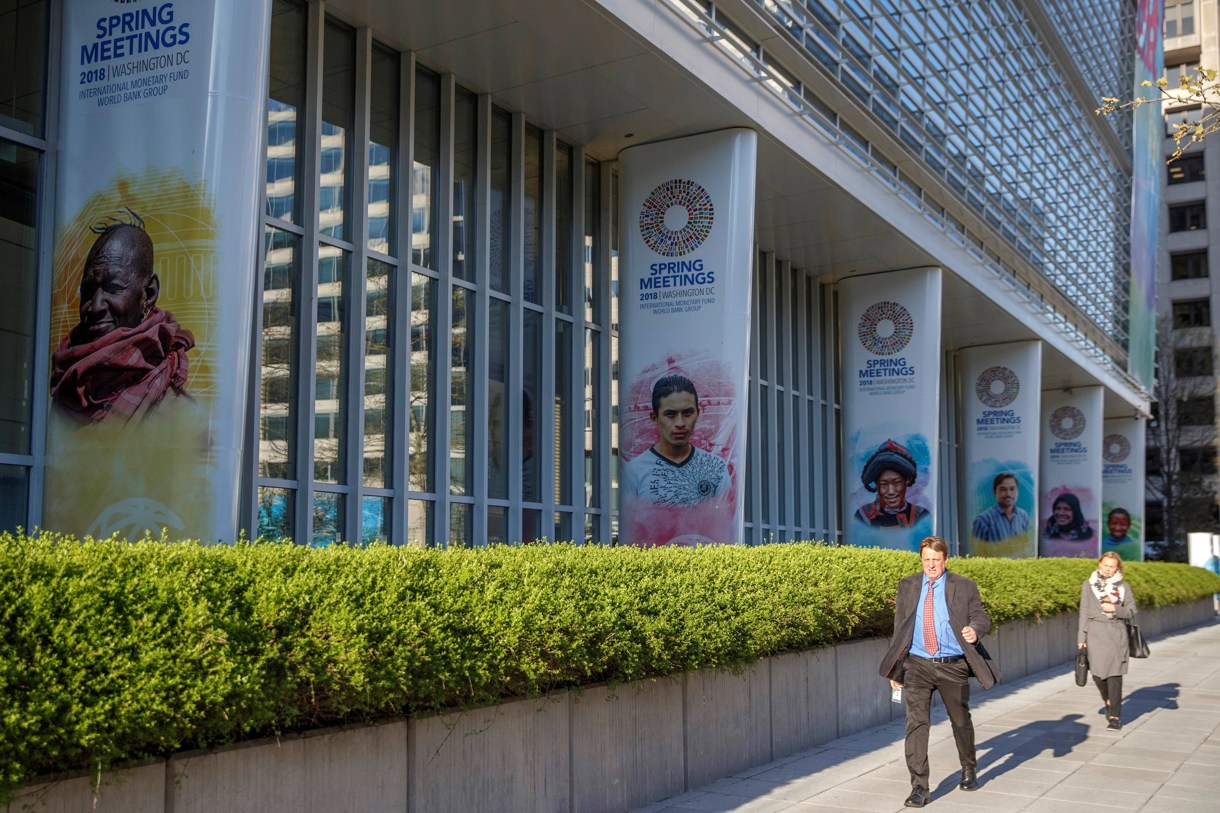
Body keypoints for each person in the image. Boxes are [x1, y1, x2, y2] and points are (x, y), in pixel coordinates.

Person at [879, 536, 999, 808]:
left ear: (946, 559)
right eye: (926, 560)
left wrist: (974, 630)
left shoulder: (964, 586)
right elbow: (900, 629)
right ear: (921, 559)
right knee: (916, 725)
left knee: (960, 720)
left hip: (952, 665)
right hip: (917, 665)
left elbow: (981, 617)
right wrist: (896, 670)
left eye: (936, 559)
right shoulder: (908, 585)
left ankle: (968, 768)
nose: (931, 565)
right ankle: (919, 787)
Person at [49, 217, 195, 426]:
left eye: (114, 287)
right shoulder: (66, 382)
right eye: (88, 290)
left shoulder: (175, 410)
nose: (95, 306)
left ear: (149, 294)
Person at [620, 374, 731, 508]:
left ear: (698, 413)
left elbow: (727, 518)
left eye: (687, 413)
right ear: (654, 417)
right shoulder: (633, 472)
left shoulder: (716, 468)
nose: (680, 423)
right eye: (670, 414)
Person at [1077, 551, 1137, 730]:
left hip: (1117, 634)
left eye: (1112, 566)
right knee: (1098, 676)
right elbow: (1084, 612)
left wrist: (1115, 609)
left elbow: (1132, 612)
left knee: (1114, 676)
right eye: (1105, 565)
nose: (1107, 569)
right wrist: (1081, 637)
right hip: (1095, 633)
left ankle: (1115, 717)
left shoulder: (1123, 587)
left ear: (1118, 568)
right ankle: (1108, 699)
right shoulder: (1089, 584)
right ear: (1099, 564)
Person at [855, 438, 929, 528]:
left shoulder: (921, 516)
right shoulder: (862, 517)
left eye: (897, 483)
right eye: (883, 484)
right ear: (876, 484)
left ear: (907, 480)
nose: (891, 491)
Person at [971, 472, 1030, 542]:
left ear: (1018, 491)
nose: (1008, 494)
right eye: (1003, 489)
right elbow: (975, 547)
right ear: (995, 492)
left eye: (1012, 489)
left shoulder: (1023, 516)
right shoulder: (983, 520)